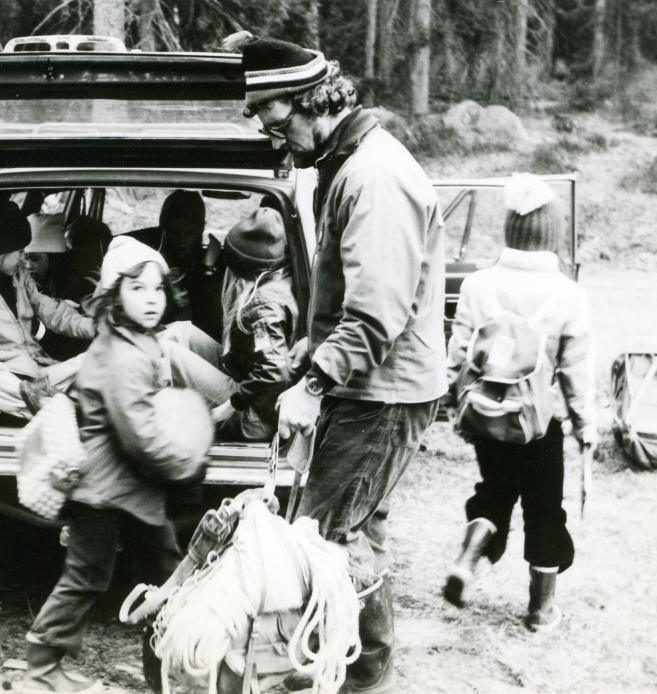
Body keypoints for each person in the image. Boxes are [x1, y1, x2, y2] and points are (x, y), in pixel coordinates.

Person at [228, 32, 447, 693]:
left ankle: (349, 673)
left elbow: (377, 311)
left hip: (381, 392)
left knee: (324, 534)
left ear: (310, 101)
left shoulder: (374, 177)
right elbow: (354, 290)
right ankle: (363, 661)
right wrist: (309, 346)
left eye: (277, 124)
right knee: (356, 526)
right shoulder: (347, 163)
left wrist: (314, 383)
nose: (277, 141)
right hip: (373, 382)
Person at [17, 237, 209, 694]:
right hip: (102, 490)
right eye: (138, 289)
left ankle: (178, 662)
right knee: (91, 576)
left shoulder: (131, 340)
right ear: (114, 294)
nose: (150, 299)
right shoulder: (123, 353)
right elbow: (139, 433)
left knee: (165, 570)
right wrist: (186, 465)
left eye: (157, 289)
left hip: (123, 488)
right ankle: (42, 667)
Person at [441, 174, 596, 632]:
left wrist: (455, 405)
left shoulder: (477, 284)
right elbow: (576, 369)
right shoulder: (569, 295)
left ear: (511, 231)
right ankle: (541, 609)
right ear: (552, 237)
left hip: (488, 415)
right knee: (544, 508)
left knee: (496, 489)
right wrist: (586, 424)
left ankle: (469, 557)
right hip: (539, 423)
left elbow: (459, 351)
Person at [0, 195, 96, 422]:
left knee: (93, 360)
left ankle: (40, 406)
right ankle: (57, 406)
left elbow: (54, 313)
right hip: (7, 379)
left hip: (41, 373)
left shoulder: (19, 277)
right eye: (19, 252)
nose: (24, 261)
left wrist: (95, 327)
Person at [161, 206, 298, 441]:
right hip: (250, 390)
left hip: (253, 416)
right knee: (179, 331)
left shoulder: (263, 304)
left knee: (167, 351)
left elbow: (274, 370)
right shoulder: (275, 285)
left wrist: (229, 407)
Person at [127, 190, 224, 339]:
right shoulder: (151, 255)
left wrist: (208, 266)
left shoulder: (212, 259)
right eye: (176, 232)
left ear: (201, 229)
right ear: (164, 230)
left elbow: (212, 317)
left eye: (189, 233)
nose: (182, 240)